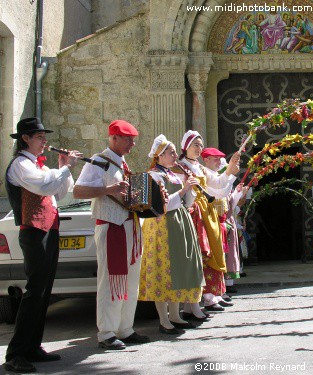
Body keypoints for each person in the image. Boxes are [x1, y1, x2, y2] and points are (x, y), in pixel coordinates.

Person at [3, 118, 80, 373]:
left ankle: (33, 347)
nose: (44, 141)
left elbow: (60, 193)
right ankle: (15, 353)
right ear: (25, 138)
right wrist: (65, 167)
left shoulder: (37, 166)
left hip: (48, 229)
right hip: (34, 232)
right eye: (39, 136)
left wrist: (62, 167)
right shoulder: (21, 165)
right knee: (35, 291)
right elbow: (45, 185)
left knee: (45, 291)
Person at [73, 120, 149, 350]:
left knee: (130, 281)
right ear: (113, 138)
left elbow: (125, 195)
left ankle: (125, 328)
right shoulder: (98, 161)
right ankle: (106, 332)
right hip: (110, 227)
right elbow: (78, 191)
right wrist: (107, 190)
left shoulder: (121, 163)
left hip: (129, 227)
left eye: (133, 139)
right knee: (111, 281)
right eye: (128, 139)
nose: (133, 144)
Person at [138, 135, 206, 333]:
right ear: (159, 156)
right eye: (171, 152)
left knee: (177, 269)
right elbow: (161, 205)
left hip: (178, 222)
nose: (175, 155)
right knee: (164, 270)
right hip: (162, 225)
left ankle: (175, 315)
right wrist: (184, 189)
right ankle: (164, 319)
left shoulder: (173, 174)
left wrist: (190, 190)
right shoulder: (153, 175)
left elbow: (187, 202)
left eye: (175, 151)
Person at [173, 130, 240, 312]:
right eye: (195, 144)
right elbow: (177, 193)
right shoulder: (179, 167)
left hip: (204, 216)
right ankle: (192, 304)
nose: (199, 148)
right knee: (195, 259)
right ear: (185, 146)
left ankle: (201, 301)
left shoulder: (200, 169)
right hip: (191, 216)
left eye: (201, 145)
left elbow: (217, 185)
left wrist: (230, 168)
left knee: (208, 255)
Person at [201, 148, 248, 298]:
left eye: (220, 160)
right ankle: (211, 294)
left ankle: (219, 291)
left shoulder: (215, 176)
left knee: (223, 257)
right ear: (205, 159)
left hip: (222, 222)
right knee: (213, 258)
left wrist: (237, 192)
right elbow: (219, 191)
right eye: (215, 158)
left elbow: (228, 201)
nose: (218, 162)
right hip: (211, 222)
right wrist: (230, 174)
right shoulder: (204, 173)